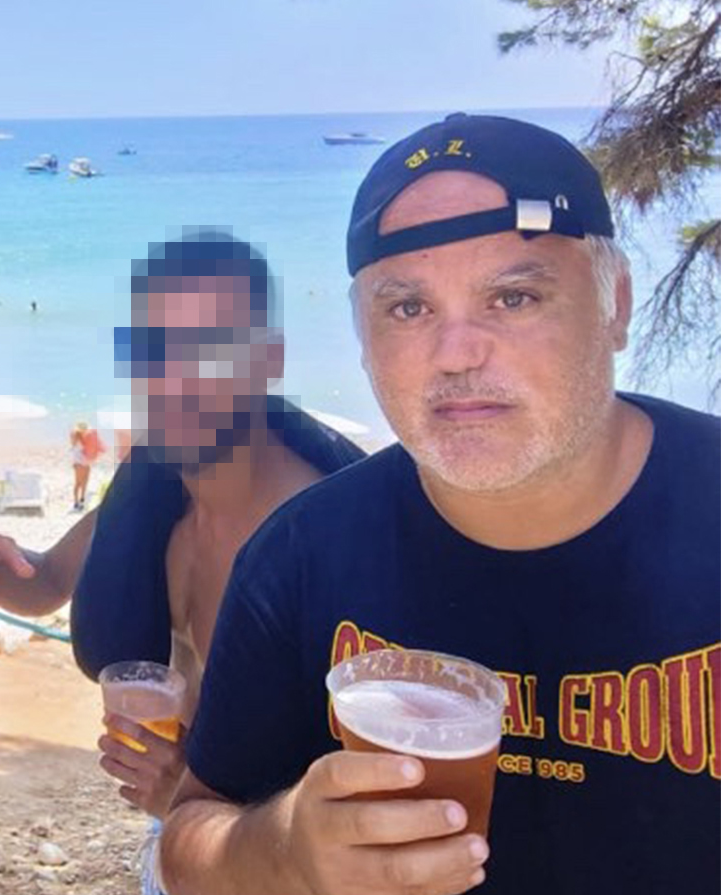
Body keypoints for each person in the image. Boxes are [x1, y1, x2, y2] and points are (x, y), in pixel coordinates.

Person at [162, 114, 720, 895]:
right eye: (409, 309)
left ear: (615, 302)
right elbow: (187, 837)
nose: (457, 354)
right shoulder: (302, 555)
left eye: (514, 296)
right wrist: (284, 850)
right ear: (362, 337)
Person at [0, 230, 364, 876]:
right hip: (180, 841)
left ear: (267, 360)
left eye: (209, 349)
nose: (174, 379)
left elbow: (364, 793)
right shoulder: (155, 495)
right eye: (154, 350)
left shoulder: (329, 539)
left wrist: (192, 800)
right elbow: (42, 582)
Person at [68, 420, 106, 510]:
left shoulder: (84, 440)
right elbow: (73, 442)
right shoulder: (75, 440)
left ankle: (82, 501)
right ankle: (76, 502)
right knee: (78, 483)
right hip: (79, 463)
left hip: (86, 462)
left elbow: (91, 446)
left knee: (84, 483)